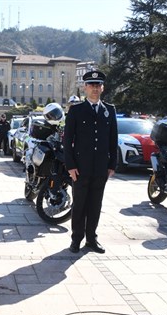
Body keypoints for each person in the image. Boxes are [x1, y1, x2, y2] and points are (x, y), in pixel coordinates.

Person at [63, 70, 118, 254]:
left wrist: (112, 164)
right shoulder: (76, 110)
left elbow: (113, 139)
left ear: (102, 88)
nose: (95, 89)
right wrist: (70, 166)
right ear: (84, 87)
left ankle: (91, 239)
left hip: (100, 168)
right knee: (79, 205)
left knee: (95, 205)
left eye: (98, 85)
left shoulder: (109, 110)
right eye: (91, 85)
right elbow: (68, 140)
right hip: (80, 168)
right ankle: (76, 239)